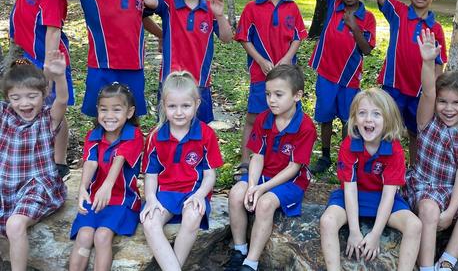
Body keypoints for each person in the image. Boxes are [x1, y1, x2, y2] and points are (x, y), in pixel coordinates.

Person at [42, 0, 159, 118]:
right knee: (102, 117)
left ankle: (130, 149)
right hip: (101, 67)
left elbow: (142, 18)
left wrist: (161, 35)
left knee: (131, 117)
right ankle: (100, 148)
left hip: (134, 67)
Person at [403, 29, 458, 271]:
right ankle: (427, 266)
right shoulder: (427, 122)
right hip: (427, 185)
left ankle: (447, 261)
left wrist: (450, 211)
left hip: (457, 189)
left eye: (456, 103)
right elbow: (428, 91)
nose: (449, 109)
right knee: (428, 210)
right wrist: (428, 62)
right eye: (443, 101)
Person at [320, 88, 422, 271]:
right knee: (327, 221)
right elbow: (349, 190)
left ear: (388, 120)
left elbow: (389, 195)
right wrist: (354, 231)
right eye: (362, 113)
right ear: (354, 119)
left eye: (376, 114)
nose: (368, 119)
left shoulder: (395, 149)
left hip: (382, 199)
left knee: (414, 225)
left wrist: (375, 234)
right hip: (352, 197)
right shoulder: (349, 145)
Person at [227, 65, 317, 271]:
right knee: (235, 194)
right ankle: (239, 249)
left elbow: (294, 168)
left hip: (290, 181)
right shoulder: (263, 118)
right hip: (262, 175)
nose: (271, 100)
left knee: (265, 204)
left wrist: (262, 189)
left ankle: (251, 262)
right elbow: (257, 156)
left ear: (297, 95)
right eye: (268, 94)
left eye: (278, 94)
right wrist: (251, 185)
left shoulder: (305, 127)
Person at [309, 0, 376, 174]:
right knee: (324, 117)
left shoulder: (367, 18)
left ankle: (346, 157)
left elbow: (367, 49)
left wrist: (354, 27)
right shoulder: (334, 4)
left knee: (350, 121)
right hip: (327, 74)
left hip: (350, 80)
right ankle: (325, 156)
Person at [234, 0, 308, 180]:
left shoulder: (292, 8)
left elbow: (298, 36)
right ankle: (246, 161)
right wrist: (260, 60)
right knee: (254, 117)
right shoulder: (251, 8)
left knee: (288, 115)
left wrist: (287, 59)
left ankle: (290, 162)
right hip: (261, 74)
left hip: (287, 75)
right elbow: (244, 38)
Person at [371, 0, 447, 165]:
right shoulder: (399, 13)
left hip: (420, 92)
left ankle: (414, 170)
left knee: (417, 133)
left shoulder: (437, 29)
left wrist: (433, 93)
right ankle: (382, 167)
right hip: (392, 85)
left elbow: (439, 64)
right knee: (386, 129)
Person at [143, 0, 233, 123]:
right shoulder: (168, 3)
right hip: (170, 83)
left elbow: (227, 38)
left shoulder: (210, 8)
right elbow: (149, 1)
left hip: (200, 84)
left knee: (200, 133)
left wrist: (221, 16)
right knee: (168, 131)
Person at [14, 0, 75, 177]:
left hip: (48, 60)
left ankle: (59, 162)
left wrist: (49, 71)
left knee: (54, 112)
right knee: (47, 110)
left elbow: (52, 31)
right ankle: (47, 157)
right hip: (32, 57)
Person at [141, 71, 223, 271]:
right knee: (150, 222)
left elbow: (210, 174)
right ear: (164, 107)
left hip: (193, 191)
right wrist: (151, 199)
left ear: (196, 104)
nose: (179, 112)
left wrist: (200, 195)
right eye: (172, 106)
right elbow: (151, 174)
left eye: (185, 106)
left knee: (193, 215)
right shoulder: (156, 135)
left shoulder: (206, 134)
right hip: (165, 194)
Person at [0, 52, 68, 271]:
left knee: (15, 224)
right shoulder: (5, 115)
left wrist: (59, 77)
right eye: (16, 97)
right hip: (5, 187)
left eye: (31, 96)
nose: (24, 103)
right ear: (8, 99)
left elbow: (63, 100)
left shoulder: (47, 119)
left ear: (43, 94)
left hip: (36, 186)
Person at [69, 83, 144, 271]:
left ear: (129, 112)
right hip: (96, 198)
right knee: (84, 235)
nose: (109, 116)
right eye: (104, 109)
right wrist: (83, 189)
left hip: (122, 200)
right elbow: (90, 162)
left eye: (117, 110)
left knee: (102, 236)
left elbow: (120, 159)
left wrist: (107, 186)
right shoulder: (93, 136)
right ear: (97, 111)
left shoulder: (134, 135)